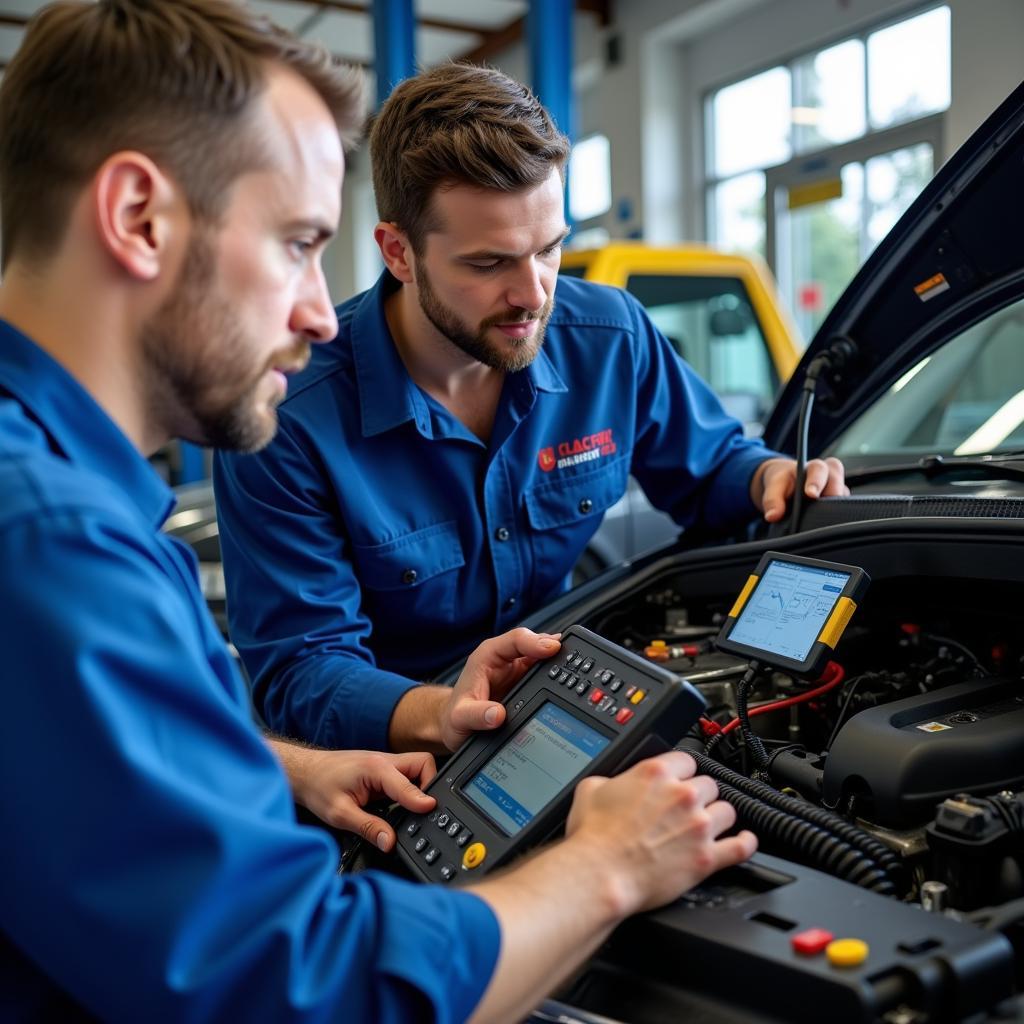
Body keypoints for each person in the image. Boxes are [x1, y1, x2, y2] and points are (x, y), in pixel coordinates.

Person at [0, 3, 756, 1022]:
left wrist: (280, 767)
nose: (319, 311)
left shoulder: (65, 509)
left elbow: (71, 767)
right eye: (299, 242)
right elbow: (303, 989)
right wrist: (607, 867)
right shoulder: (50, 541)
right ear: (138, 217)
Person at [214, 62, 849, 753]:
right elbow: (300, 670)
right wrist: (442, 710)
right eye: (489, 264)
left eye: (550, 249)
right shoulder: (288, 416)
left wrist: (769, 478)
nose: (534, 294)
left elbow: (714, 465)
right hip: (404, 758)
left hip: (575, 711)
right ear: (399, 252)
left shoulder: (609, 338)